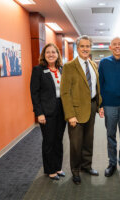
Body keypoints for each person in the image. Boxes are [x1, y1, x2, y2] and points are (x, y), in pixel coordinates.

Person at [60, 35, 102, 185]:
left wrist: (98, 106)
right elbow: (65, 93)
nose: (85, 49)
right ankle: (76, 170)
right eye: (82, 46)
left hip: (91, 107)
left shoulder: (93, 64)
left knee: (88, 140)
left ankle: (86, 166)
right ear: (77, 48)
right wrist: (70, 115)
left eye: (88, 46)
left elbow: (96, 87)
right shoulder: (69, 66)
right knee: (76, 143)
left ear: (90, 48)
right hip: (76, 111)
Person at [30, 43, 66, 181]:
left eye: (53, 52)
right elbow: (34, 93)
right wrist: (39, 113)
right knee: (49, 141)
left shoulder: (62, 69)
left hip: (62, 109)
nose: (51, 54)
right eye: (48, 52)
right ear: (44, 55)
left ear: (58, 54)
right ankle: (50, 170)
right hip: (46, 111)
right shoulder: (38, 70)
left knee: (59, 140)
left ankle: (58, 167)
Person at [98, 37, 120, 178]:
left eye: (119, 44)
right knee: (110, 135)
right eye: (114, 44)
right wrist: (101, 105)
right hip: (109, 104)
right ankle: (112, 163)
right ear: (110, 47)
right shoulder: (104, 63)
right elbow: (100, 84)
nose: (117, 47)